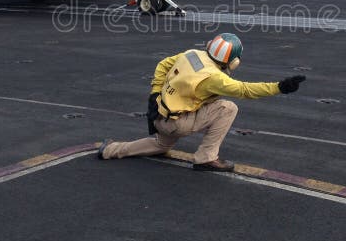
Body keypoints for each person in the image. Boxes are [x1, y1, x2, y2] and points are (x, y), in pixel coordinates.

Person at [98, 33, 305, 171]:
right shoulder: (215, 78)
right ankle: (206, 158)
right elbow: (244, 90)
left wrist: (154, 93)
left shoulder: (192, 54)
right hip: (178, 123)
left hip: (159, 115)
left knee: (161, 145)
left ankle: (110, 150)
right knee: (227, 107)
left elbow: (163, 65)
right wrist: (280, 87)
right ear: (233, 61)